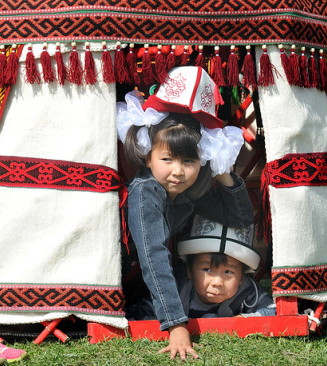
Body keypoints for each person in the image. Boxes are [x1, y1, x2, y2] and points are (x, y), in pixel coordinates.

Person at [116, 66, 254, 360]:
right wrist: (176, 325)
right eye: (167, 158)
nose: (178, 171)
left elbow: (240, 218)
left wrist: (224, 171)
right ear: (148, 155)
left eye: (190, 160)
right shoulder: (145, 191)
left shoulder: (189, 192)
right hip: (120, 276)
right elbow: (153, 255)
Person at [176, 214, 275, 319]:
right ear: (189, 271)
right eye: (207, 269)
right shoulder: (177, 288)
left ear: (242, 277)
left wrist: (242, 319)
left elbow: (273, 310)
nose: (217, 282)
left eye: (228, 271)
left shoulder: (247, 290)